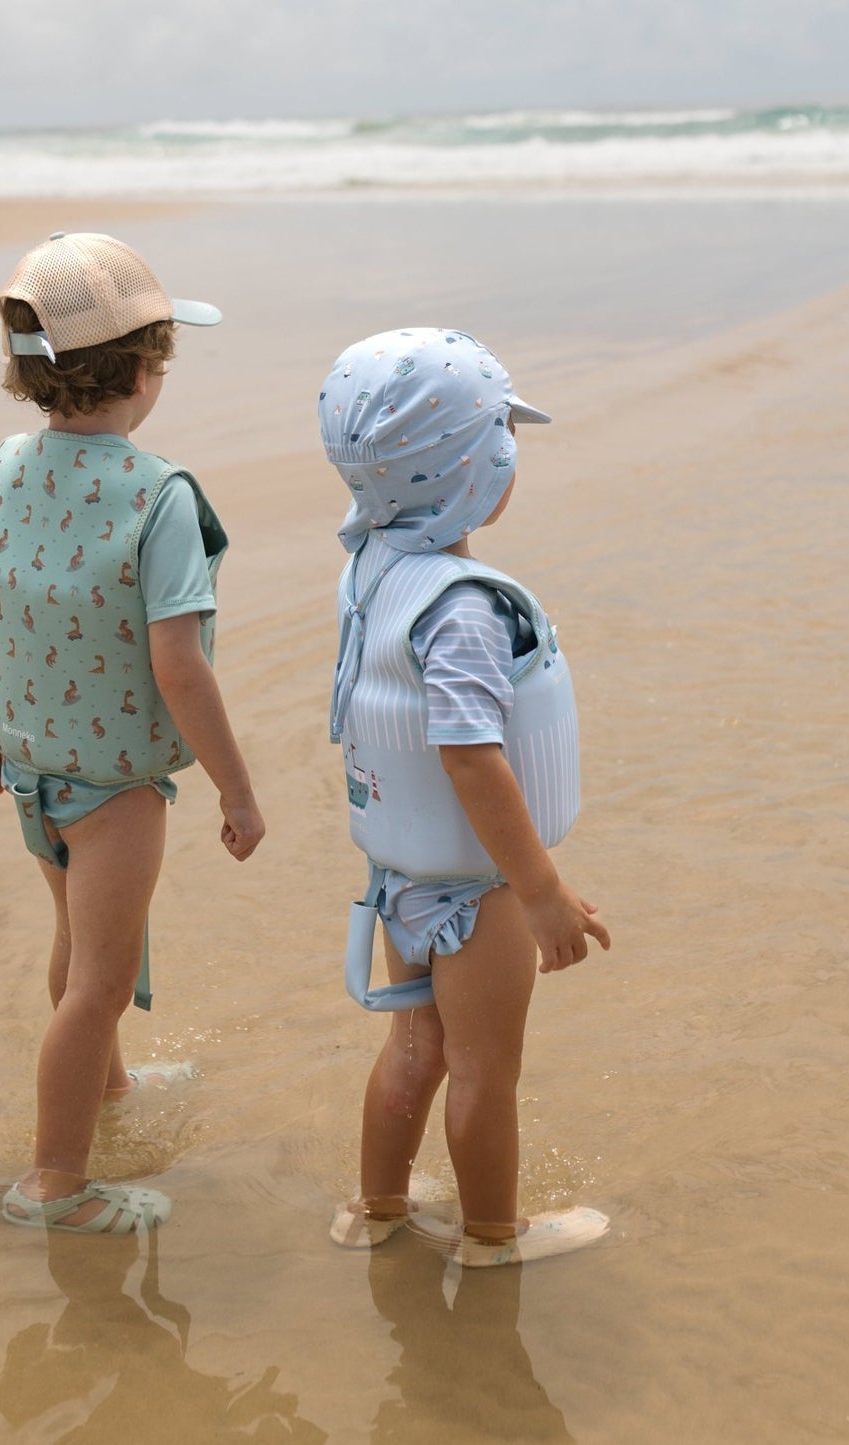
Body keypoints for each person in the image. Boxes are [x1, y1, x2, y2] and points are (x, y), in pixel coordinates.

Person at [0, 232, 265, 1234]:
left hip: (31, 765)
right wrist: (235, 787)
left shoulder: (2, 465)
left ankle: (111, 1081)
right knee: (99, 977)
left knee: (75, 942)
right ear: (140, 367)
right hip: (114, 785)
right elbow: (178, 664)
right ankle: (53, 1179)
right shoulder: (160, 495)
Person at [320, 327, 612, 1266]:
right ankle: (492, 1236)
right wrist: (538, 891)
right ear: (475, 471)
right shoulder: (466, 608)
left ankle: (376, 1209)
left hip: (400, 870)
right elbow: (472, 756)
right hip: (476, 891)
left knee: (414, 1047)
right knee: (486, 1068)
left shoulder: (372, 572)